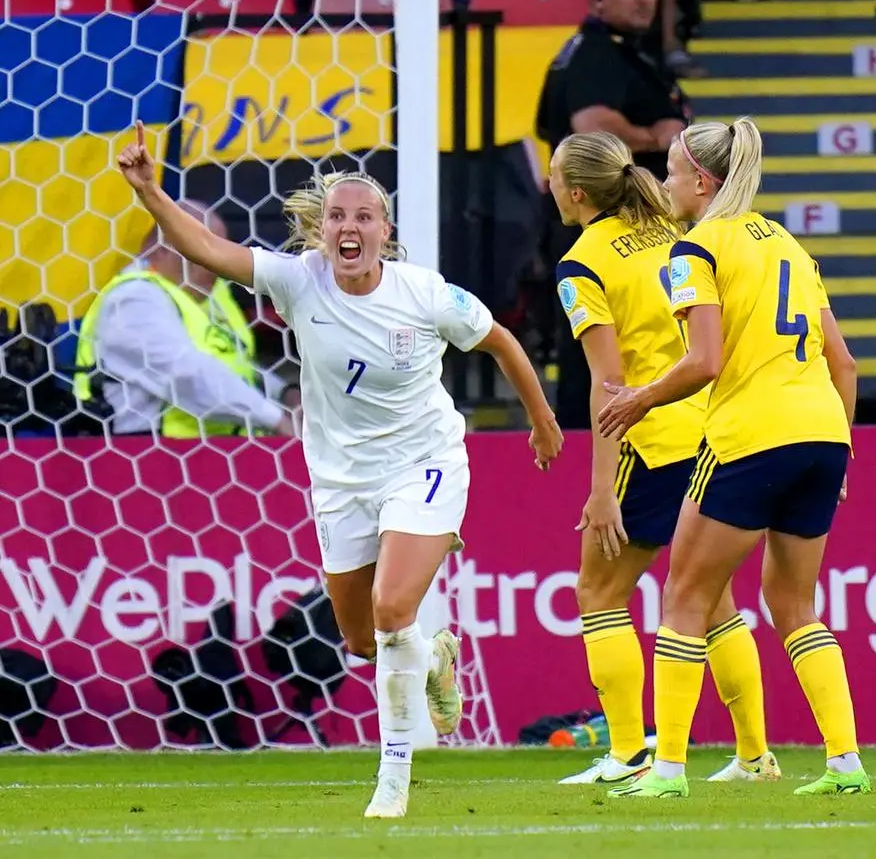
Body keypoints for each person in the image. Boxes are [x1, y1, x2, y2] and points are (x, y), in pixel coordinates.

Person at [115, 121, 564, 818]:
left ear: (385, 229)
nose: (348, 227)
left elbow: (501, 340)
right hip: (342, 480)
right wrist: (149, 191)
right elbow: (204, 246)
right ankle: (436, 656)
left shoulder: (424, 293)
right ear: (321, 230)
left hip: (425, 463)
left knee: (390, 609)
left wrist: (540, 421)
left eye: (363, 216)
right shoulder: (300, 282)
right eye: (336, 217)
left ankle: (392, 778)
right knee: (361, 639)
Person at [597, 117, 864, 799]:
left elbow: (704, 361)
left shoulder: (696, 250)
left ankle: (667, 772)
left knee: (683, 597)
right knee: (794, 603)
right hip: (823, 434)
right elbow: (846, 363)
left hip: (752, 435)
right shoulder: (788, 244)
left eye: (672, 171)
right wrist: (843, 452)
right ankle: (844, 764)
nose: (662, 183)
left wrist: (640, 400)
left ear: (702, 182)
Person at [550, 131, 779, 787]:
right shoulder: (674, 234)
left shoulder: (583, 261)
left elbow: (608, 382)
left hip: (649, 440)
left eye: (554, 174)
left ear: (576, 193)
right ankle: (754, 754)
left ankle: (627, 753)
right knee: (713, 601)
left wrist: (601, 489)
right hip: (711, 430)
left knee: (598, 592)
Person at [534, 0, 690, 430]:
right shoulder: (598, 54)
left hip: (611, 222)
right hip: (596, 222)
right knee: (597, 347)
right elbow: (591, 125)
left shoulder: (624, 50)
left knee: (616, 340)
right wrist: (657, 136)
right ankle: (592, 451)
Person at [73, 200, 294, 439]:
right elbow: (186, 374)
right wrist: (276, 418)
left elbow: (236, 365)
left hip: (220, 450)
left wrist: (284, 393)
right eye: (205, 250)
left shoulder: (207, 294)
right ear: (165, 247)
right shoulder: (133, 299)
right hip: (153, 456)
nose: (218, 264)